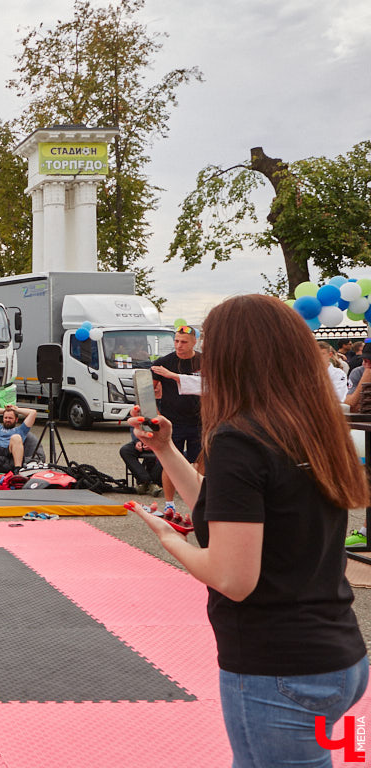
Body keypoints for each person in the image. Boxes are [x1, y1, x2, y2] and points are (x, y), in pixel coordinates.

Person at [126, 294, 368, 766]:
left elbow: (233, 577)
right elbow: (227, 510)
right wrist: (166, 450)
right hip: (341, 661)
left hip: (279, 670)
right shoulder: (312, 427)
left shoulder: (241, 439)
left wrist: (168, 539)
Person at [150, 325, 202, 504]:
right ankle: (169, 503)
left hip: (199, 421)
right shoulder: (163, 362)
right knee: (170, 463)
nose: (179, 346)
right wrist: (155, 414)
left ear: (195, 342)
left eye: (184, 342)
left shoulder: (205, 361)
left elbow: (212, 387)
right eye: (176, 341)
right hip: (173, 421)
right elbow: (147, 390)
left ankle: (199, 502)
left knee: (200, 464)